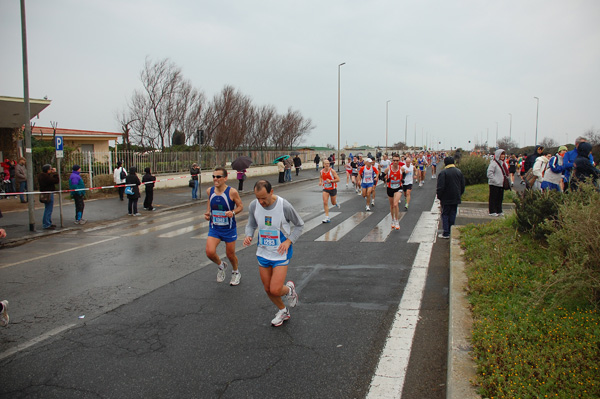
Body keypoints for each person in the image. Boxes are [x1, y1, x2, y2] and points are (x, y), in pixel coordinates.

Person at [243, 180, 304, 327]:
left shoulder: (284, 206)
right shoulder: (253, 205)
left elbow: (299, 225)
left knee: (275, 289)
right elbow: (251, 223)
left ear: (271, 192)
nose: (261, 202)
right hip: (263, 252)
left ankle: (289, 289)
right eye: (258, 198)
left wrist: (289, 241)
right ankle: (283, 311)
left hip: (280, 253)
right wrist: (248, 235)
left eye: (263, 198)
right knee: (267, 288)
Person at [204, 167, 244, 285]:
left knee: (230, 254)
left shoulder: (232, 192)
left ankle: (236, 272)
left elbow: (240, 206)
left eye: (218, 177)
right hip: (215, 227)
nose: (215, 179)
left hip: (229, 228)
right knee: (209, 252)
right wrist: (208, 213)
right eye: (213, 176)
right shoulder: (209, 191)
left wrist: (233, 212)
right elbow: (209, 202)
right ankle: (221, 265)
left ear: (225, 178)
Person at [436, 156, 465, 239]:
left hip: (446, 197)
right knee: (453, 213)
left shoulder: (443, 173)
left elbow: (440, 187)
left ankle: (446, 232)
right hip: (456, 196)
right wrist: (459, 194)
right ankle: (451, 230)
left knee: (445, 214)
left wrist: (439, 196)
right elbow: (462, 185)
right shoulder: (459, 172)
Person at [486, 149, 509, 217]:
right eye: (501, 154)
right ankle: (492, 211)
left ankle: (499, 210)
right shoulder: (493, 163)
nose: (503, 156)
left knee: (500, 198)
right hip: (494, 184)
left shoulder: (504, 164)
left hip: (501, 184)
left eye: (504, 154)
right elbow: (489, 173)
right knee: (493, 198)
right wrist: (495, 180)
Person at [385, 154, 404, 230]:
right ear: (392, 161)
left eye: (397, 160)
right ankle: (392, 219)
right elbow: (382, 176)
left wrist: (402, 180)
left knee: (396, 204)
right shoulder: (388, 169)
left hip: (398, 188)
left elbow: (404, 175)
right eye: (394, 160)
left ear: (399, 161)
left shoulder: (401, 169)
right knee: (392, 205)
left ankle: (397, 220)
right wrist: (386, 179)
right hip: (390, 188)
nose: (395, 162)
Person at [38, 164, 59, 229]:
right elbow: (56, 180)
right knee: (48, 209)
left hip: (45, 193)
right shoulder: (45, 177)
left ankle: (48, 222)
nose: (51, 170)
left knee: (48, 208)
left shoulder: (42, 176)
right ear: (47, 170)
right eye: (50, 169)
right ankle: (46, 224)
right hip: (48, 193)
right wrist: (55, 173)